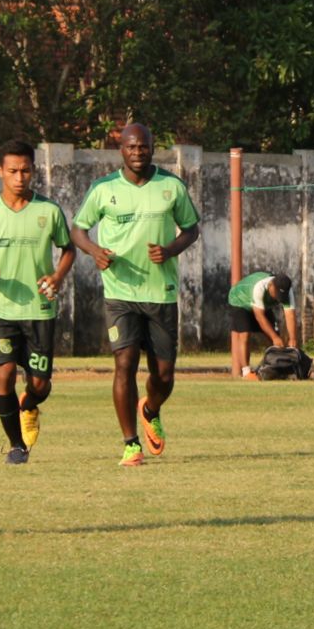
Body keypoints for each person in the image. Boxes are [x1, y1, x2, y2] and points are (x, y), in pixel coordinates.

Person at [69, 124, 200, 466]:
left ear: (153, 147)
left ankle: (151, 408)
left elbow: (191, 229)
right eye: (131, 147)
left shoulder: (171, 186)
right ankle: (130, 444)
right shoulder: (103, 189)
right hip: (120, 292)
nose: (138, 152)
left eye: (144, 146)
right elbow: (78, 230)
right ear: (121, 150)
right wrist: (95, 251)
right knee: (124, 363)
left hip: (161, 292)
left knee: (165, 375)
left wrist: (170, 250)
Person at [0, 141, 76, 463]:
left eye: (25, 170)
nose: (19, 177)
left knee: (40, 383)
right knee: (4, 374)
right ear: (0, 171)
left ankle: (29, 405)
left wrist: (56, 276)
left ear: (33, 171)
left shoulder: (49, 211)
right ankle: (16, 445)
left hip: (39, 309)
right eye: (12, 171)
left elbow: (68, 249)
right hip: (0, 310)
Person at [228, 271, 298, 379]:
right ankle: (246, 372)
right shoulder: (259, 287)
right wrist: (275, 337)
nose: (279, 299)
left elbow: (290, 315)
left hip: (261, 305)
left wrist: (293, 339)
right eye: (277, 294)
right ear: (271, 286)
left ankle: (278, 367)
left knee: (276, 340)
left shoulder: (287, 291)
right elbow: (259, 317)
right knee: (245, 334)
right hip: (240, 300)